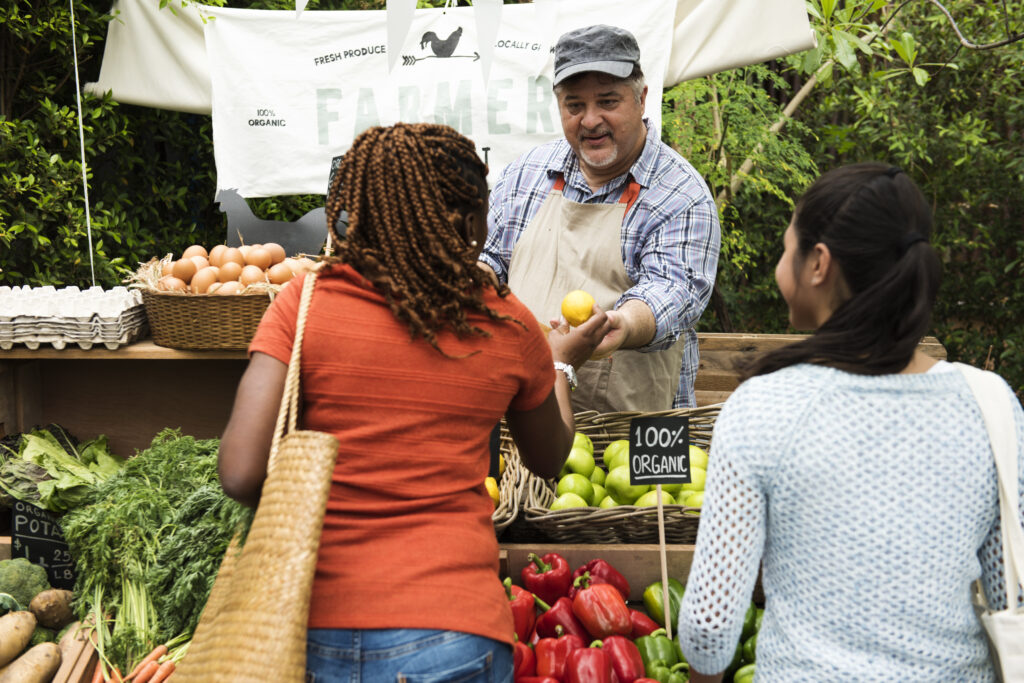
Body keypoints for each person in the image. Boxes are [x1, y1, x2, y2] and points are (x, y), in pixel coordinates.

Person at [217, 123, 610, 682]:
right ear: (474, 223)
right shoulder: (507, 323)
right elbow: (549, 460)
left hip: (305, 629)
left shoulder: (304, 303)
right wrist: (562, 363)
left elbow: (239, 472)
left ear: (359, 213)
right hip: (455, 634)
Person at [677, 162, 1024, 682]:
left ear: (818, 263)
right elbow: (1008, 594)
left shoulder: (764, 407)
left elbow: (708, 629)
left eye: (785, 245)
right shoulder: (989, 401)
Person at [479, 24, 721, 413]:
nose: (590, 120)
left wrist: (621, 324)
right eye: (575, 106)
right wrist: (475, 277)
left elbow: (672, 292)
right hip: (524, 417)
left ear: (642, 99)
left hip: (631, 436)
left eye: (607, 102)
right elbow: (493, 258)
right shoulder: (526, 173)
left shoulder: (681, 194)